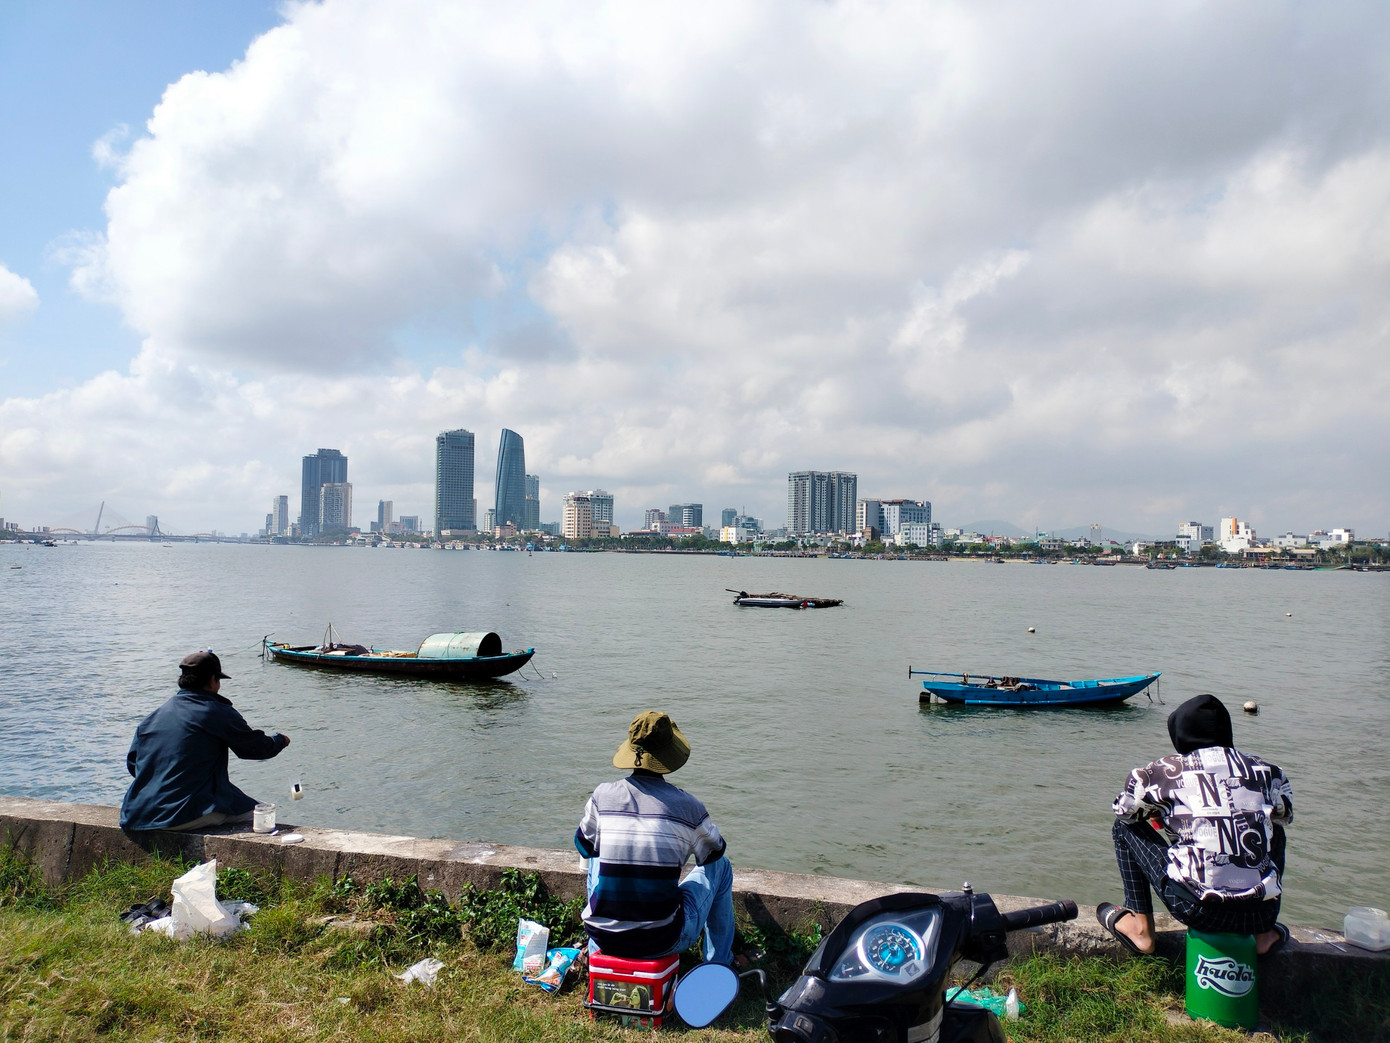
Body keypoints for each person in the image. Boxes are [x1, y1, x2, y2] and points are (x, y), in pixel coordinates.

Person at [1098, 693, 1292, 956]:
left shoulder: (1164, 771)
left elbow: (1123, 811)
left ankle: (1140, 929)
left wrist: (1163, 813)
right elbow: (1285, 814)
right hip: (1261, 913)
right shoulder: (1267, 770)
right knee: (1273, 826)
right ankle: (1263, 935)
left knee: (1124, 828)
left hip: (1197, 909)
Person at [574, 710, 735, 965]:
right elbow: (714, 853)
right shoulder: (689, 807)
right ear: (669, 754)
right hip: (663, 940)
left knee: (596, 855)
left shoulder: (602, 795)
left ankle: (597, 949)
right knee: (722, 867)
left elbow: (583, 845)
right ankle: (718, 965)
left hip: (604, 937)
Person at [120, 650, 290, 832]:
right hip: (181, 814)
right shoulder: (215, 710)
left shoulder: (152, 718)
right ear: (211, 680)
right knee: (262, 815)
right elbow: (255, 748)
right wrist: (280, 740)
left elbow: (133, 765)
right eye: (218, 680)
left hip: (137, 815)